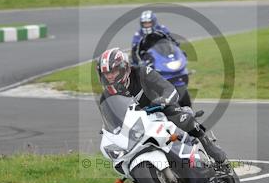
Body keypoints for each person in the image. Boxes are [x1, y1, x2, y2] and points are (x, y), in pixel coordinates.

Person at [96, 47, 228, 165]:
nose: (110, 76)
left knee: (181, 117)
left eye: (113, 71)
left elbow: (168, 89)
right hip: (137, 126)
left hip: (160, 110)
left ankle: (208, 145)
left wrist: (162, 100)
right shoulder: (106, 97)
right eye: (106, 73)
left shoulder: (142, 72)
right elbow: (110, 122)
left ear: (124, 67)